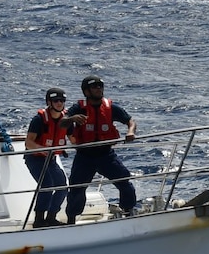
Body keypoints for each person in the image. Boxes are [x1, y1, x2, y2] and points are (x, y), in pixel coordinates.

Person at [64, 75, 138, 221]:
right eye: (94, 87)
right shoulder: (78, 108)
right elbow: (62, 122)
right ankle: (71, 220)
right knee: (76, 190)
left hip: (106, 155)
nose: (99, 89)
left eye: (100, 86)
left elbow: (130, 120)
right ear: (86, 92)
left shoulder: (111, 108)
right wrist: (71, 119)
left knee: (125, 183)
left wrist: (130, 131)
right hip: (85, 157)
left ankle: (128, 211)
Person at [24, 88, 72, 227]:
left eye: (62, 101)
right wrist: (42, 149)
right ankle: (39, 219)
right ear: (49, 102)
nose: (59, 103)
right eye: (56, 101)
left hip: (51, 160)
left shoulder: (66, 120)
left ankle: (51, 217)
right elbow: (29, 142)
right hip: (35, 158)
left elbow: (73, 138)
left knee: (63, 186)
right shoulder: (38, 120)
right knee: (47, 185)